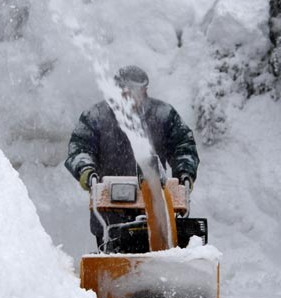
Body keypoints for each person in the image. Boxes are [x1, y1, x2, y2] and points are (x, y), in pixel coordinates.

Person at [65, 65, 200, 247]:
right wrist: (87, 172)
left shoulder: (164, 115)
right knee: (113, 250)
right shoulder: (96, 116)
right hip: (110, 206)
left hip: (156, 199)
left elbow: (183, 145)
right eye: (124, 90)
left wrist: (185, 173)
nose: (129, 96)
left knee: (163, 248)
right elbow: (80, 147)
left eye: (136, 90)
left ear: (145, 90)